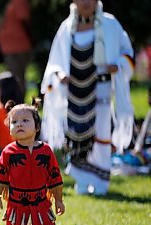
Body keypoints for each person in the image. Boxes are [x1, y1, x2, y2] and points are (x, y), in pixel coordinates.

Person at [40, 0, 134, 196]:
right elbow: (55, 62)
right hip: (73, 95)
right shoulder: (67, 28)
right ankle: (82, 180)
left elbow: (127, 52)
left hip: (101, 89)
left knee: (101, 133)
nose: (86, 2)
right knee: (76, 134)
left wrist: (118, 64)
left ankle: (100, 183)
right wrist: (59, 75)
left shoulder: (110, 24)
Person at [0, 0, 32, 102]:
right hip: (10, 47)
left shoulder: (20, 2)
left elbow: (24, 20)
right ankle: (12, 102)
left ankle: (19, 103)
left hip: (18, 47)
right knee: (13, 78)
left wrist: (31, 39)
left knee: (17, 78)